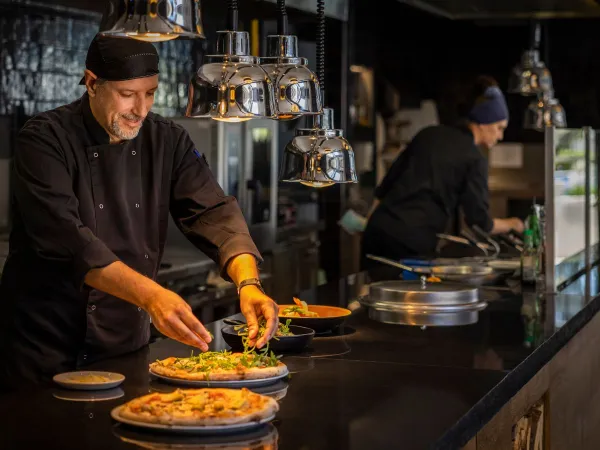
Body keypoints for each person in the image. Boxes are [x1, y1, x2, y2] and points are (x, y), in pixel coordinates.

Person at [0, 35, 279, 388]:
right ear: (91, 83)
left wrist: (248, 283)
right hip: (45, 348)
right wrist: (152, 296)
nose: (141, 109)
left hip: (124, 345)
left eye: (150, 93)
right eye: (128, 94)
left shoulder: (167, 140)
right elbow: (69, 241)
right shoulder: (44, 139)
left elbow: (213, 211)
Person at [362, 76, 524, 266]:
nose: (500, 136)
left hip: (377, 231)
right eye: (499, 128)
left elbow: (384, 187)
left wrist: (368, 223)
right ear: (483, 122)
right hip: (411, 243)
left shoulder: (429, 133)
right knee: (406, 294)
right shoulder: (474, 158)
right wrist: (513, 224)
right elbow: (480, 222)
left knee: (367, 292)